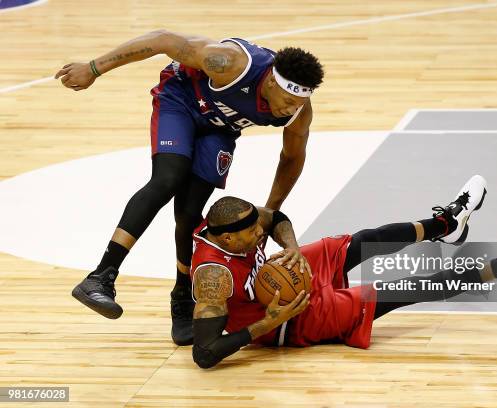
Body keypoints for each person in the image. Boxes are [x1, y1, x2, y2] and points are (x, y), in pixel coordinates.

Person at [54, 30, 324, 345]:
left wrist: (271, 211)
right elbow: (162, 39)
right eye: (289, 101)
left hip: (219, 127)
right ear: (272, 83)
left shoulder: (298, 113)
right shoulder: (230, 63)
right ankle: (101, 276)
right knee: (168, 178)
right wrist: (93, 68)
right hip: (181, 101)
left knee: (190, 212)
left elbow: (291, 158)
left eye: (299, 104)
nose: (292, 109)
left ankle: (182, 295)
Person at [188, 175, 497, 368]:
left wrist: (290, 249)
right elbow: (204, 353)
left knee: (367, 239)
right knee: (404, 288)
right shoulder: (212, 278)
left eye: (258, 228)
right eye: (252, 234)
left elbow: (277, 218)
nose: (259, 234)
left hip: (284, 274)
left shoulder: (235, 220)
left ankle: (448, 224)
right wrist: (267, 324)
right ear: (227, 238)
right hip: (289, 320)